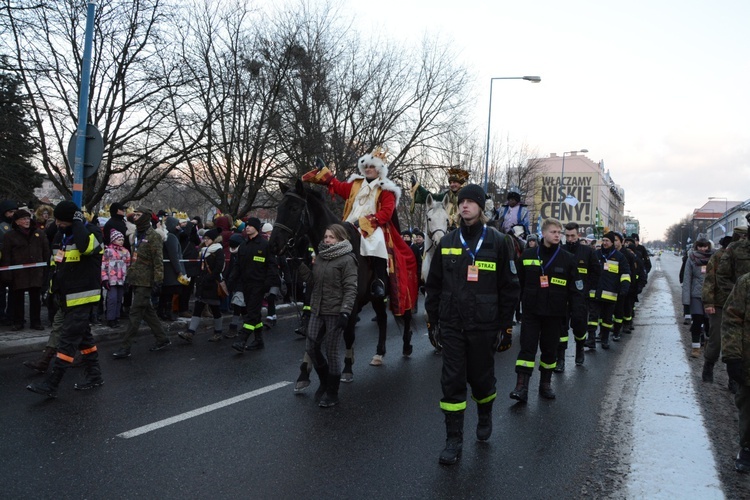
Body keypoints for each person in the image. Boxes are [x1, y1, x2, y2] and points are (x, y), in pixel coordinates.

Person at [425, 183, 520, 465]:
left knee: (481, 380)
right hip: (453, 325)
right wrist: (434, 321)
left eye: (471, 202)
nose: (465, 205)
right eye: (462, 202)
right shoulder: (448, 242)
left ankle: (485, 414)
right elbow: (434, 285)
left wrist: (505, 326)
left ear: (481, 207)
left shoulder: (498, 242)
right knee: (451, 382)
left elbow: (510, 287)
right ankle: (453, 439)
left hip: (484, 326)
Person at [303, 151, 417, 315]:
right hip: (350, 223)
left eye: (372, 167)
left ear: (379, 170)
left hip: (374, 226)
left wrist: (365, 222)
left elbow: (385, 213)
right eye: (366, 166)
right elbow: (338, 186)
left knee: (375, 242)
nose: (368, 169)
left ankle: (378, 280)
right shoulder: (356, 184)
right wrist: (325, 172)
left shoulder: (387, 190)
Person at [26, 201, 104, 397]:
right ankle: (95, 376)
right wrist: (51, 291)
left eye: (61, 221)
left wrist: (78, 222)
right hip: (65, 297)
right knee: (85, 340)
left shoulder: (92, 232)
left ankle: (52, 383)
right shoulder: (62, 235)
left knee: (67, 341)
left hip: (83, 297)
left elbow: (86, 248)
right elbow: (56, 265)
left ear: (73, 220)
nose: (58, 224)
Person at [510, 218, 585, 402]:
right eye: (554, 232)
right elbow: (515, 284)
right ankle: (521, 387)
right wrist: (511, 309)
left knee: (549, 350)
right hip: (531, 312)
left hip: (555, 314)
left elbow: (576, 290)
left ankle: (545, 383)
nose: (557, 235)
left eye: (559, 233)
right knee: (527, 349)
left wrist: (578, 314)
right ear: (543, 233)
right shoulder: (528, 255)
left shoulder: (568, 259)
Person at [295, 223, 358, 408]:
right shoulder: (321, 257)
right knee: (311, 347)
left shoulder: (348, 259)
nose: (327, 240)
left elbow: (350, 287)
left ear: (340, 239)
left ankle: (332, 392)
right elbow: (312, 281)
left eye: (331, 237)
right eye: (325, 237)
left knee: (331, 352)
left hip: (335, 311)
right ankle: (324, 381)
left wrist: (345, 312)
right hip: (317, 309)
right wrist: (298, 266)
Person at [112, 207, 171, 359]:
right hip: (136, 278)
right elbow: (134, 257)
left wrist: (158, 280)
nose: (135, 218)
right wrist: (129, 277)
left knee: (135, 312)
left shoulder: (153, 236)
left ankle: (125, 347)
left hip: (146, 280)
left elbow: (158, 261)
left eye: (138, 215)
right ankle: (162, 338)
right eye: (135, 215)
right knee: (147, 311)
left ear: (145, 217)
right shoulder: (137, 234)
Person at [231, 217, 279, 352]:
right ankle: (258, 340)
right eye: (247, 226)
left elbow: (272, 266)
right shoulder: (244, 245)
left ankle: (242, 339)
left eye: (250, 226)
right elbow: (238, 265)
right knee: (254, 314)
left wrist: (268, 283)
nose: (247, 228)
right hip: (246, 284)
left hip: (259, 285)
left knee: (251, 313)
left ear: (256, 228)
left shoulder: (265, 245)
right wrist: (232, 280)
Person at [557, 222, 600, 369]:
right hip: (562, 296)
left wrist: (587, 289)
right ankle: (560, 359)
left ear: (578, 235)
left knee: (580, 327)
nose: (570, 239)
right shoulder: (559, 250)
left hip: (580, 297)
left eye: (572, 236)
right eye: (567, 236)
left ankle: (579, 349)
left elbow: (596, 272)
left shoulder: (587, 252)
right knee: (561, 329)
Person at [1, 209, 51, 331]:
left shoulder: (39, 233)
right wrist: (7, 274)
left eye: (28, 218)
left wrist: (46, 268)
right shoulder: (10, 236)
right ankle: (18, 322)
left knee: (35, 298)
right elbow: (6, 255)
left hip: (36, 272)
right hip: (18, 273)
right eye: (23, 219)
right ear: (17, 222)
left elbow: (46, 251)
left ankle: (36, 322)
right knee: (18, 299)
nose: (26, 221)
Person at [702, 231, 742, 382]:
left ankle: (734, 379)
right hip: (719, 304)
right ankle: (708, 366)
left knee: (737, 343)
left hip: (740, 306)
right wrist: (709, 302)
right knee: (716, 339)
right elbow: (710, 280)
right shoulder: (718, 257)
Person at [720, 271, 750, 472]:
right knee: (747, 403)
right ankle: (747, 448)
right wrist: (732, 355)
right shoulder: (747, 282)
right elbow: (732, 319)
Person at [584, 231, 630, 350]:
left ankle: (605, 339)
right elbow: (588, 271)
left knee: (607, 319)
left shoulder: (620, 257)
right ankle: (591, 339)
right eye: (603, 240)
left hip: (610, 294)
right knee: (593, 318)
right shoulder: (596, 254)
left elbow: (625, 274)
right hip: (595, 292)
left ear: (612, 243)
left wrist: (624, 289)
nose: (604, 243)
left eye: (607, 241)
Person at [178, 228, 225, 343]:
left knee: (215, 309)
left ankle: (218, 332)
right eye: (205, 238)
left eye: (208, 239)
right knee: (198, 307)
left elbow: (219, 267)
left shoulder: (218, 250)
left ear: (214, 240)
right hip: (202, 283)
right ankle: (190, 332)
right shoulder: (204, 250)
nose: (205, 240)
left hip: (212, 283)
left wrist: (208, 278)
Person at [157, 216, 188, 322]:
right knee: (168, 294)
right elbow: (174, 255)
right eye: (177, 225)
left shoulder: (167, 236)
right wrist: (179, 271)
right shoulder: (171, 237)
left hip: (167, 270)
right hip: (171, 272)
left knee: (165, 294)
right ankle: (167, 313)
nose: (179, 227)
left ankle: (162, 312)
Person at [101, 229, 131, 328]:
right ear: (113, 240)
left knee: (119, 299)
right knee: (112, 299)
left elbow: (128, 266)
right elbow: (104, 265)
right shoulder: (108, 251)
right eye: (119, 239)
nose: (121, 241)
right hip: (111, 280)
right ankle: (110, 318)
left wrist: (127, 279)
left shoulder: (126, 252)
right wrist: (104, 279)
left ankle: (116, 317)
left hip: (121, 280)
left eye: (122, 239)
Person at [0, 199, 18, 325]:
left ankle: (11, 315)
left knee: (14, 291)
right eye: (10, 212)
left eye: (15, 211)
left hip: (15, 264)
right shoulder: (2, 226)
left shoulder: (17, 225)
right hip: (2, 264)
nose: (13, 214)